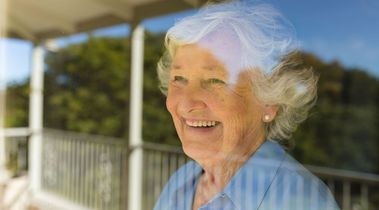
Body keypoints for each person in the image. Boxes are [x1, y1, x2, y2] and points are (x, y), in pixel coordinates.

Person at [153, 1, 340, 210]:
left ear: (269, 102)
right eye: (179, 78)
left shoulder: (304, 203)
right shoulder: (180, 184)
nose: (187, 103)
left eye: (215, 81)